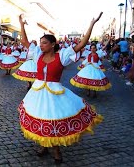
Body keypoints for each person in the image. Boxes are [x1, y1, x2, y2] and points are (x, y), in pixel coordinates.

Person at [17, 12, 103, 164]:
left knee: (53, 120)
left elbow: (81, 44)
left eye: (44, 42)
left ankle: (56, 150)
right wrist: (21, 24)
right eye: (40, 42)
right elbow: (24, 41)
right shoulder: (37, 54)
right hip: (37, 92)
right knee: (41, 118)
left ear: (52, 44)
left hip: (54, 93)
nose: (41, 44)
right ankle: (44, 145)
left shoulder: (62, 56)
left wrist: (92, 25)